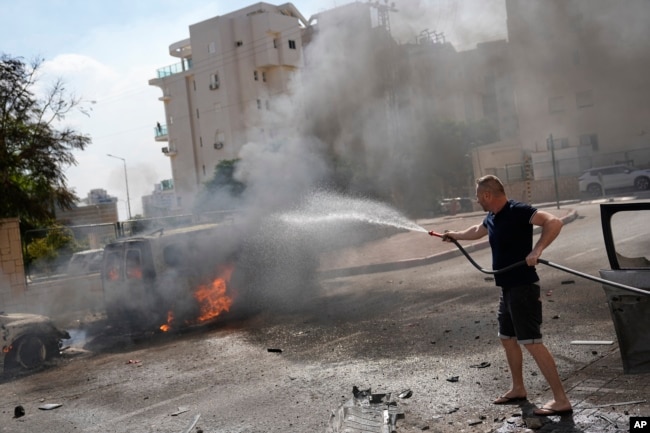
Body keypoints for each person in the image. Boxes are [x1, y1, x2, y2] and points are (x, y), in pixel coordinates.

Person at [440, 175, 572, 417]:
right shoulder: (492, 216)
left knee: (532, 343)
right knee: (507, 338)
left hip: (524, 287)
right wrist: (455, 235)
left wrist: (537, 249)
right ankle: (518, 388)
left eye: (478, 197)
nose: (477, 201)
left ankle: (561, 399)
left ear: (487, 195)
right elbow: (477, 231)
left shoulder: (518, 210)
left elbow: (554, 222)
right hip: (508, 289)